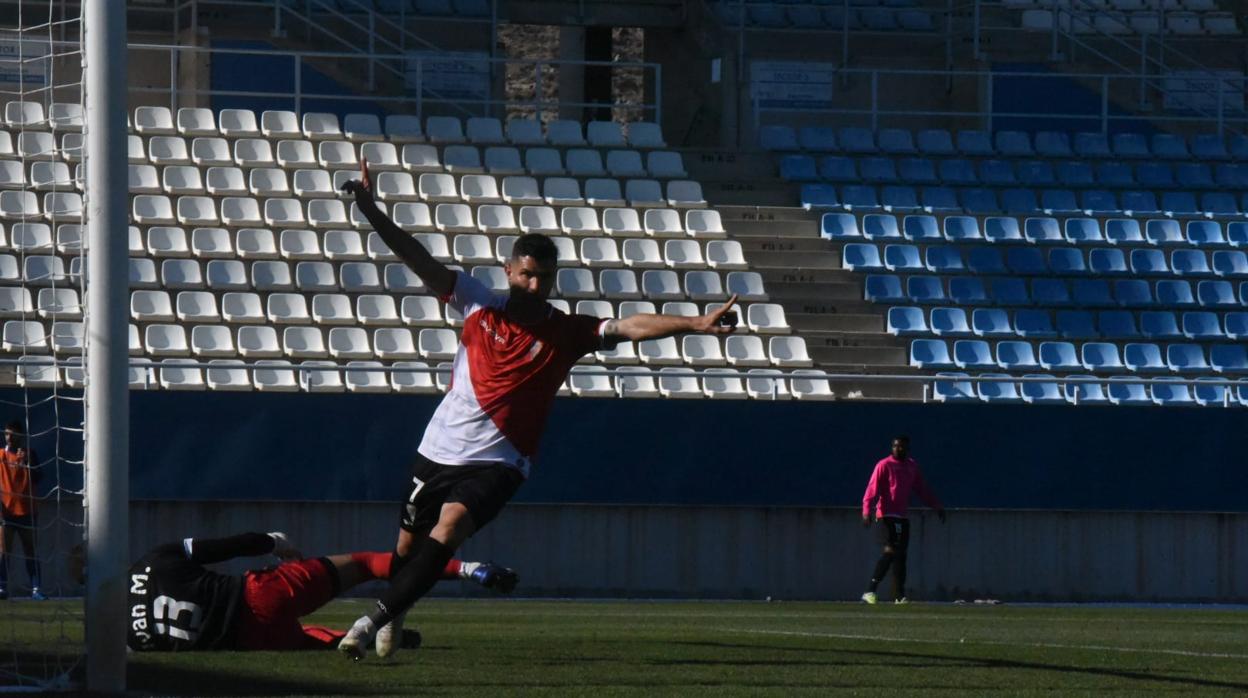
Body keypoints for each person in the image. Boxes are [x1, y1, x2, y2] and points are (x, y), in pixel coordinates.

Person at [337, 159, 742, 660]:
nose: (535, 285)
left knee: (451, 528)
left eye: (544, 278)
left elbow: (628, 326)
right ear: (509, 271)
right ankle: (395, 614)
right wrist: (371, 210)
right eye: (527, 275)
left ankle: (370, 618)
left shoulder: (565, 330)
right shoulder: (476, 304)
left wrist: (695, 323)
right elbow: (417, 258)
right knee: (405, 548)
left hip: (500, 462)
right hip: (437, 450)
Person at [124, 530, 518, 652]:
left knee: (325, 644)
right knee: (367, 563)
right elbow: (224, 546)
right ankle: (469, 568)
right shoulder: (153, 559)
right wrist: (271, 541)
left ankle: (360, 638)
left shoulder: (129, 636)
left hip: (249, 640)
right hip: (258, 595)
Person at [860, 435, 945, 605]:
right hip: (885, 515)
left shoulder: (911, 466)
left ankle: (899, 595)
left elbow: (922, 489)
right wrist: (866, 510)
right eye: (895, 446)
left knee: (901, 556)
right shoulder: (884, 465)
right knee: (890, 551)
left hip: (902, 517)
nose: (898, 449)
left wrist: (937, 506)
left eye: (901, 446)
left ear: (907, 448)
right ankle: (869, 591)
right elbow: (872, 488)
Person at [0, 420, 42, 601]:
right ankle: (2, 587)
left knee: (30, 551)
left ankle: (36, 589)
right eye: (7, 434)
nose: (9, 437)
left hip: (27, 511)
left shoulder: (29, 454)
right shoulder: (1, 455)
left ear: (20, 436)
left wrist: (26, 462)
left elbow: (38, 477)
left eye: (13, 434)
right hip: (6, 512)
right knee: (4, 552)